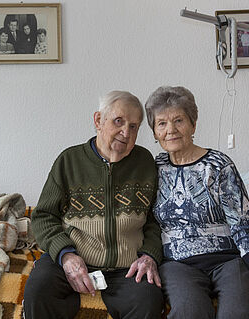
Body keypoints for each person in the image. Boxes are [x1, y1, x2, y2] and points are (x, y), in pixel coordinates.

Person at [24, 91, 164, 319]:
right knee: (38, 291)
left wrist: (149, 255)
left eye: (134, 126)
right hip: (72, 258)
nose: (126, 132)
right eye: (118, 121)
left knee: (149, 301)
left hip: (126, 267)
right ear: (98, 120)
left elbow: (156, 219)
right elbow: (43, 216)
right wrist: (66, 255)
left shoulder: (145, 163)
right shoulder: (69, 161)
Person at [145, 86, 249, 319]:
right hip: (177, 264)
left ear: (193, 125)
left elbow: (244, 225)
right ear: (155, 132)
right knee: (189, 311)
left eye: (179, 120)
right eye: (162, 123)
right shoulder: (152, 169)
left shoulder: (218, 165)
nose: (171, 130)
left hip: (227, 261)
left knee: (238, 313)